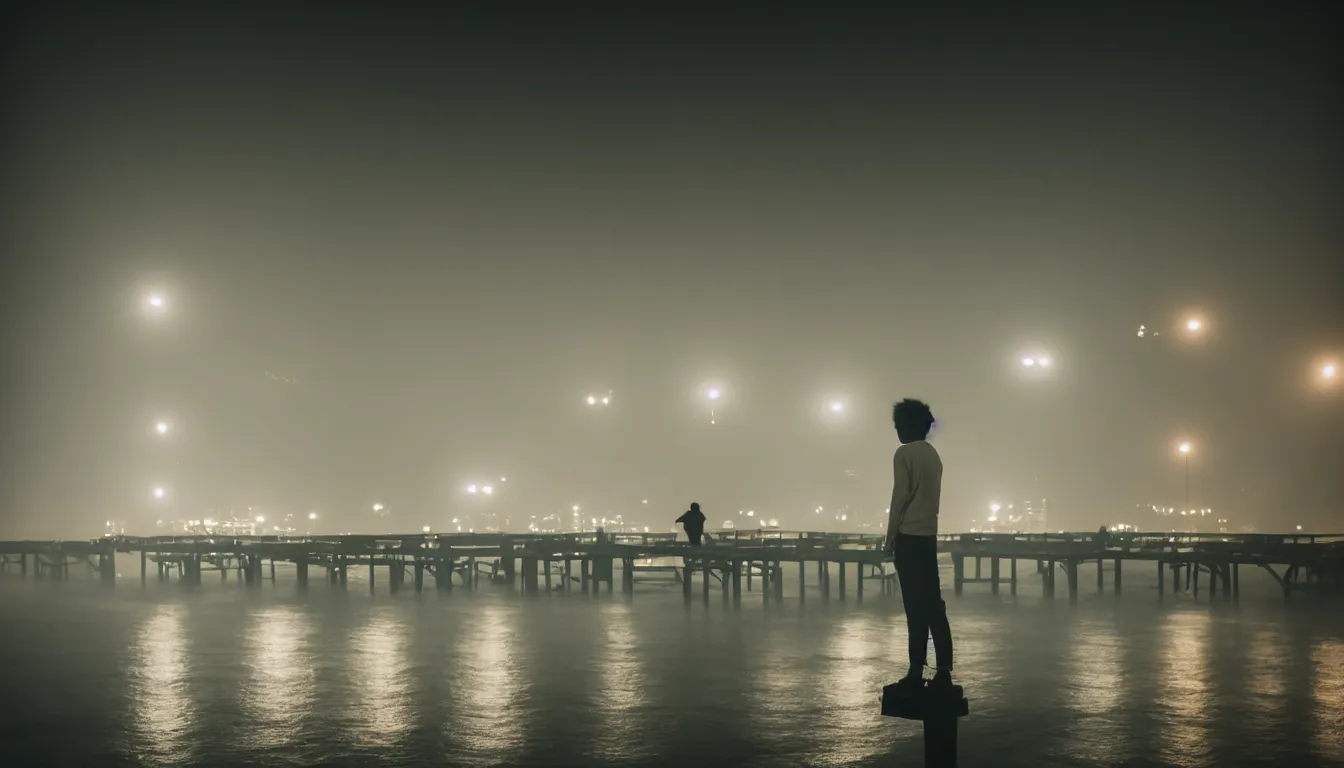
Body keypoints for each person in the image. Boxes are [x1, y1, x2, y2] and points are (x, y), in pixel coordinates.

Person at [884, 398, 954, 689]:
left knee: (914, 607)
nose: (897, 429)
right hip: (928, 537)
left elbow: (900, 498)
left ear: (909, 425)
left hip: (908, 539)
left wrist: (888, 540)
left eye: (899, 424)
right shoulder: (933, 456)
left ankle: (915, 670)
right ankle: (944, 671)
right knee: (934, 606)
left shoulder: (904, 454)